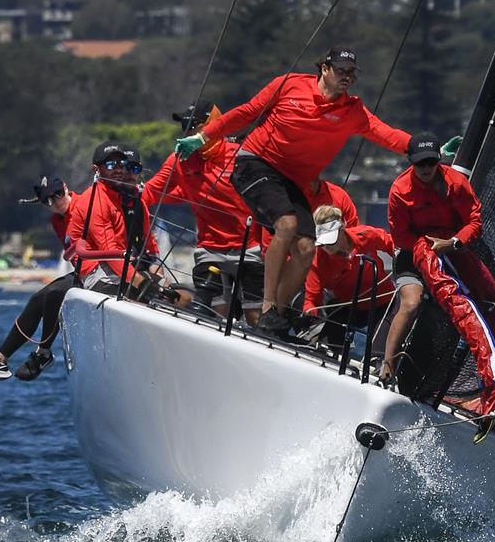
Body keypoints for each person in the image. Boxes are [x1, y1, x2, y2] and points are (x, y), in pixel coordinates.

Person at [175, 47, 411, 337]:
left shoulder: (352, 111)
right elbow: (247, 112)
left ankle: (275, 315)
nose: (346, 77)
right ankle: (267, 306)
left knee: (306, 248)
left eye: (351, 72)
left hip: (290, 180)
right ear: (324, 68)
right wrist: (202, 137)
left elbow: (385, 133)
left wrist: (425, 150)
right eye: (340, 70)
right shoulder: (289, 84)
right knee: (286, 224)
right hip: (255, 163)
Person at [385, 132, 495, 442]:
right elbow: (400, 236)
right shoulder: (400, 191)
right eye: (420, 164)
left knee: (493, 311)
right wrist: (427, 250)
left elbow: (474, 220)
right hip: (417, 252)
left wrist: (453, 243)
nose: (426, 168)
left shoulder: (456, 184)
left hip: (456, 248)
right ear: (410, 163)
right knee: (419, 303)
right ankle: (388, 365)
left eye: (431, 162)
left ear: (439, 161)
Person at [143, 101, 263, 324]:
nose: (187, 131)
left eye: (193, 125)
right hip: (210, 249)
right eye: (184, 127)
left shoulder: (241, 156)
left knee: (255, 317)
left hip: (250, 247)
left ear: (212, 124)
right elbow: (150, 193)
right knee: (216, 316)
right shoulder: (180, 159)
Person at [0, 177, 77, 381]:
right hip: (82, 270)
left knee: (54, 293)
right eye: (48, 200)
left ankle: (43, 353)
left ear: (66, 189)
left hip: (98, 269)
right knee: (36, 299)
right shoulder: (57, 220)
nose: (56, 201)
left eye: (58, 194)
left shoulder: (85, 205)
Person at [67, 142, 162, 296]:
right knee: (145, 297)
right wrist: (143, 283)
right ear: (96, 170)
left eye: (122, 164)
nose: (118, 170)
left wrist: (157, 279)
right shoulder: (96, 199)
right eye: (111, 165)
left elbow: (148, 244)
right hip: (97, 271)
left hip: (123, 265)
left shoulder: (122, 197)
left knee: (179, 297)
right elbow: (109, 252)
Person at [303, 205, 396, 352]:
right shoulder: (317, 260)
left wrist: (403, 263)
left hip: (384, 304)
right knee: (327, 347)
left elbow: (392, 244)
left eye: (331, 240)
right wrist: (310, 312)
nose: (327, 247)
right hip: (348, 308)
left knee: (377, 352)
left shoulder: (366, 235)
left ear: (342, 228)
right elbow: (312, 299)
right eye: (323, 242)